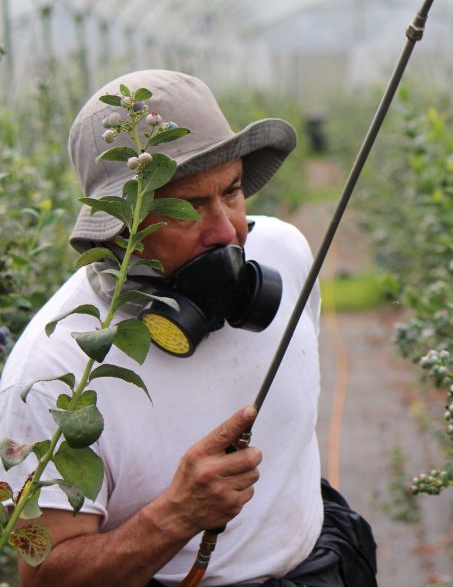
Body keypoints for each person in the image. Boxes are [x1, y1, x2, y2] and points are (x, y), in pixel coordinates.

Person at [0, 70, 376, 586]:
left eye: (233, 191)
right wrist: (176, 514)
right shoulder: (51, 376)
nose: (228, 231)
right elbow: (44, 578)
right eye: (189, 207)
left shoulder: (284, 254)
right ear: (120, 225)